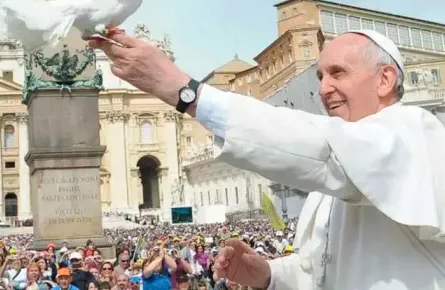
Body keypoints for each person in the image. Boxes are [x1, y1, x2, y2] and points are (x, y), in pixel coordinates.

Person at [89, 29, 445, 289]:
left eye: (338, 73)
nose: (322, 88)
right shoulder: (329, 187)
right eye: (320, 76)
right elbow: (318, 269)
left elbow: (321, 146)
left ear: (385, 79)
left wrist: (184, 91)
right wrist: (271, 274)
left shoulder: (415, 131)